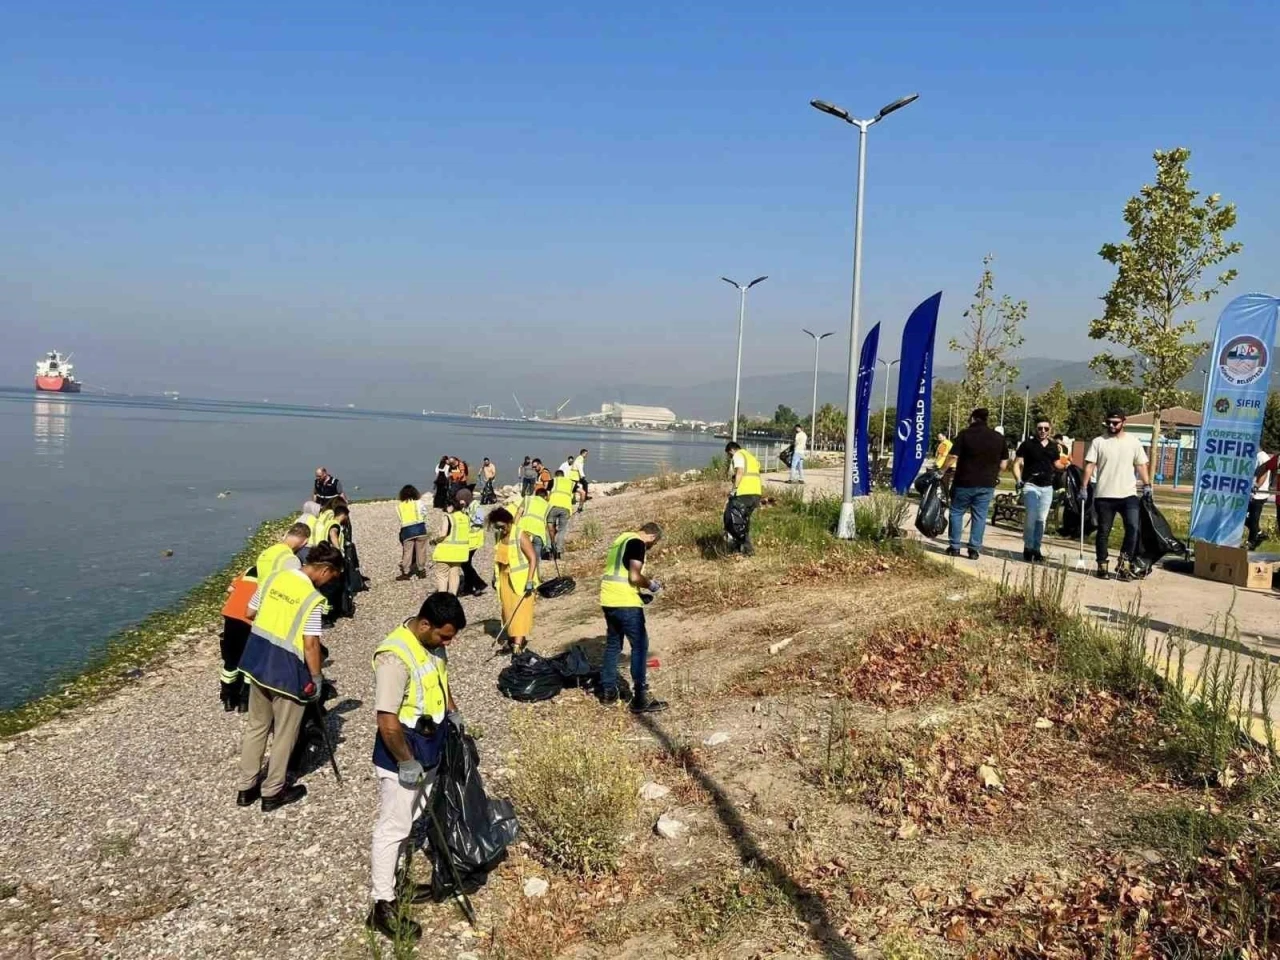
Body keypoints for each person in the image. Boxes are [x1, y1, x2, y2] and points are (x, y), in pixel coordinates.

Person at [366, 592, 466, 942]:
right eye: (444, 636)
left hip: (430, 742)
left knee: (412, 817)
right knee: (393, 826)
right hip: (402, 750)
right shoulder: (394, 657)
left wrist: (452, 712)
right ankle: (382, 905)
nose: (448, 643)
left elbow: (440, 679)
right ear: (425, 624)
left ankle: (396, 879)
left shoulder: (432, 644)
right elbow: (386, 719)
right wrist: (405, 761)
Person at [235, 542, 344, 812]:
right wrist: (317, 679)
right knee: (285, 732)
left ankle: (246, 788)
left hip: (258, 661)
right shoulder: (312, 599)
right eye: (332, 577)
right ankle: (273, 791)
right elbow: (311, 644)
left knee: (256, 726)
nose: (329, 583)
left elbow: (249, 612)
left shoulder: (275, 578)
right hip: (286, 671)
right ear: (325, 570)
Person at [219, 524, 309, 713]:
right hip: (253, 618)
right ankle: (244, 702)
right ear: (304, 542)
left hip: (232, 615)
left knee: (230, 661)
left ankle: (227, 698)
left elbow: (230, 589)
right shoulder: (285, 568)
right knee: (250, 661)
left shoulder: (254, 566)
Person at [598, 523, 667, 713]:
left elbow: (618, 572)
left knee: (613, 645)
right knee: (639, 646)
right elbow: (634, 577)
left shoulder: (620, 540)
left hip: (608, 599)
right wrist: (651, 585)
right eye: (652, 544)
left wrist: (638, 593)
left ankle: (608, 692)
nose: (649, 548)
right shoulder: (637, 543)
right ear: (652, 537)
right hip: (626, 603)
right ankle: (640, 698)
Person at [1081, 410, 1151, 581]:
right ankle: (1102, 564)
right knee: (1103, 531)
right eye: (1109, 423)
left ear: (1123, 422)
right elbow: (1090, 465)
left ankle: (1124, 563)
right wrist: (1083, 486)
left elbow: (1141, 465)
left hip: (1128, 494)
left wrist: (1147, 484)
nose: (1111, 426)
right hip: (1104, 495)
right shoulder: (1099, 442)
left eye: (1115, 423)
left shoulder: (1133, 442)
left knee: (1133, 528)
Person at [943, 408, 1008, 560]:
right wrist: (995, 475)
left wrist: (941, 470)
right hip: (987, 484)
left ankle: (954, 547)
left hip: (964, 482)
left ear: (973, 418)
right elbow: (1004, 464)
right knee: (980, 516)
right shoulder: (998, 438)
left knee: (957, 512)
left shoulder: (964, 435)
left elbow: (953, 457)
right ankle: (974, 549)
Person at [487, 507, 538, 653]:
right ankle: (513, 637)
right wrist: (494, 576)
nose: (500, 530)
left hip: (521, 580)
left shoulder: (520, 535)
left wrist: (530, 580)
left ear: (509, 522)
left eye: (502, 526)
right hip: (505, 579)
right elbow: (498, 559)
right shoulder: (500, 535)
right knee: (508, 610)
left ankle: (517, 645)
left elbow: (533, 558)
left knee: (520, 611)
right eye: (497, 527)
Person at [1013, 419, 1059, 563]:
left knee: (1041, 519)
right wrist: (1018, 480)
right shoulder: (1027, 444)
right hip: (1030, 485)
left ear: (1050, 429)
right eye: (1040, 428)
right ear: (1035, 429)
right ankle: (1028, 547)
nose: (1043, 431)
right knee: (1031, 516)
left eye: (1046, 428)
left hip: (1047, 487)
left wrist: (1067, 466)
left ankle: (1036, 549)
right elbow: (1016, 464)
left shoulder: (1053, 446)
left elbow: (1057, 464)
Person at [431, 488, 473, 595]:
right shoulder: (466, 517)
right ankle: (453, 597)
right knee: (455, 575)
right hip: (459, 553)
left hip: (445, 553)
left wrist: (434, 541)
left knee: (442, 575)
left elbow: (443, 534)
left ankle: (443, 598)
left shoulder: (448, 517)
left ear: (451, 506)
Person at [723, 441, 762, 555]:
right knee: (743, 522)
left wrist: (734, 489)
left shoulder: (738, 455)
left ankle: (738, 549)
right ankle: (746, 550)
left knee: (733, 521)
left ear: (732, 450)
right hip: (756, 493)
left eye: (729, 455)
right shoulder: (751, 457)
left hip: (744, 493)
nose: (730, 457)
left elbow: (740, 471)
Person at [396, 485, 431, 581]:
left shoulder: (400, 506)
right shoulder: (419, 502)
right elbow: (424, 513)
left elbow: (400, 519)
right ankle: (421, 570)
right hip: (420, 528)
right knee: (421, 550)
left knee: (407, 551)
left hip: (407, 530)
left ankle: (406, 572)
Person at [459, 493, 488, 597]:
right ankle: (468, 588)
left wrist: (467, 518)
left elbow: (480, 520)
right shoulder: (466, 506)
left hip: (475, 539)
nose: (460, 502)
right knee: (466, 563)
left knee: (465, 563)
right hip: (469, 539)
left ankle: (479, 584)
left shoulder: (476, 506)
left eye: (461, 500)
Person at [546, 469, 575, 557]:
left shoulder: (552, 481)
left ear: (556, 476)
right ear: (563, 476)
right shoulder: (571, 483)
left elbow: (547, 495)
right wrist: (580, 506)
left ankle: (548, 550)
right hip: (566, 508)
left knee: (549, 529)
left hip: (552, 507)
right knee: (562, 530)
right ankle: (558, 551)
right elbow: (582, 492)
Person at [1247, 448, 1272, 549]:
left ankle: (1251, 542)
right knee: (1245, 518)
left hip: (1258, 494)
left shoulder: (1262, 456)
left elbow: (1264, 472)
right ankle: (1259, 533)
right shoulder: (1252, 455)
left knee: (1254, 519)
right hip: (1249, 493)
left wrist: (1257, 486)